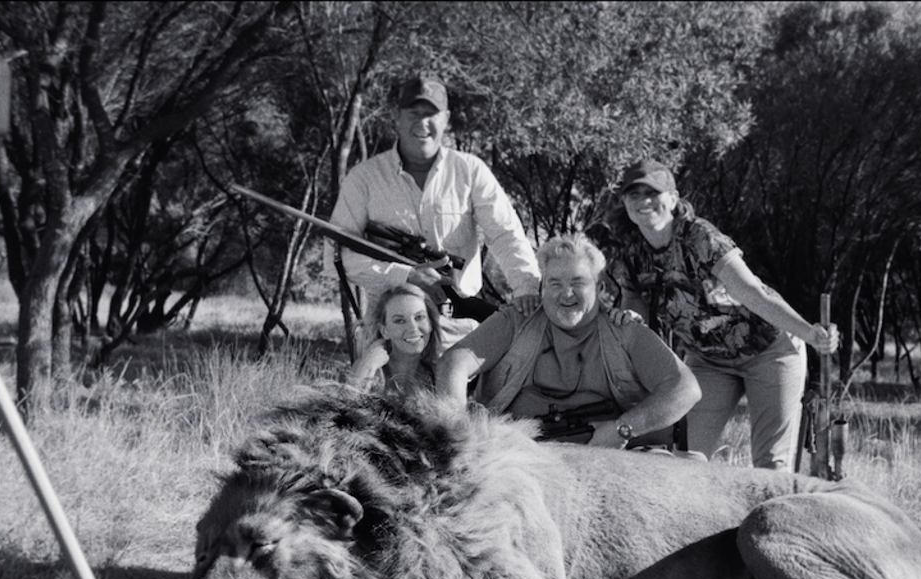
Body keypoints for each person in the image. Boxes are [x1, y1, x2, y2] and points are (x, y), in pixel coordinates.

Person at [597, 158, 839, 468]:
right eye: (634, 194)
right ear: (625, 204)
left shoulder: (700, 237)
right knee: (685, 457)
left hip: (769, 351)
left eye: (653, 193)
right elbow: (633, 297)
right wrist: (631, 322)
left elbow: (752, 292)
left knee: (770, 465)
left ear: (672, 199)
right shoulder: (630, 252)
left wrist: (810, 333)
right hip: (708, 360)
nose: (644, 202)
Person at [327, 76, 541, 348]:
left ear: (446, 119)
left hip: (458, 326)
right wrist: (405, 276)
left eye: (431, 114)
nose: (422, 122)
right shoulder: (363, 178)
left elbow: (505, 235)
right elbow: (333, 259)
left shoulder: (471, 170)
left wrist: (527, 290)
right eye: (413, 113)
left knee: (458, 388)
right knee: (385, 391)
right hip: (389, 326)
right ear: (397, 118)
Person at [437, 232, 702, 451]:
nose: (566, 294)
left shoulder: (625, 330)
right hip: (521, 458)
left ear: (600, 289)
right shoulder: (516, 320)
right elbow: (454, 363)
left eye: (578, 282)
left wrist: (623, 429)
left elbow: (685, 389)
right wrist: (460, 437)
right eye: (554, 283)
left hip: (617, 460)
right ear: (541, 289)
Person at [347, 284, 441, 396]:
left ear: (430, 323)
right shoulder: (371, 370)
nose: (413, 328)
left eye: (419, 317)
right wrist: (368, 366)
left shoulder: (438, 375)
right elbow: (346, 407)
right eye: (399, 321)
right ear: (384, 330)